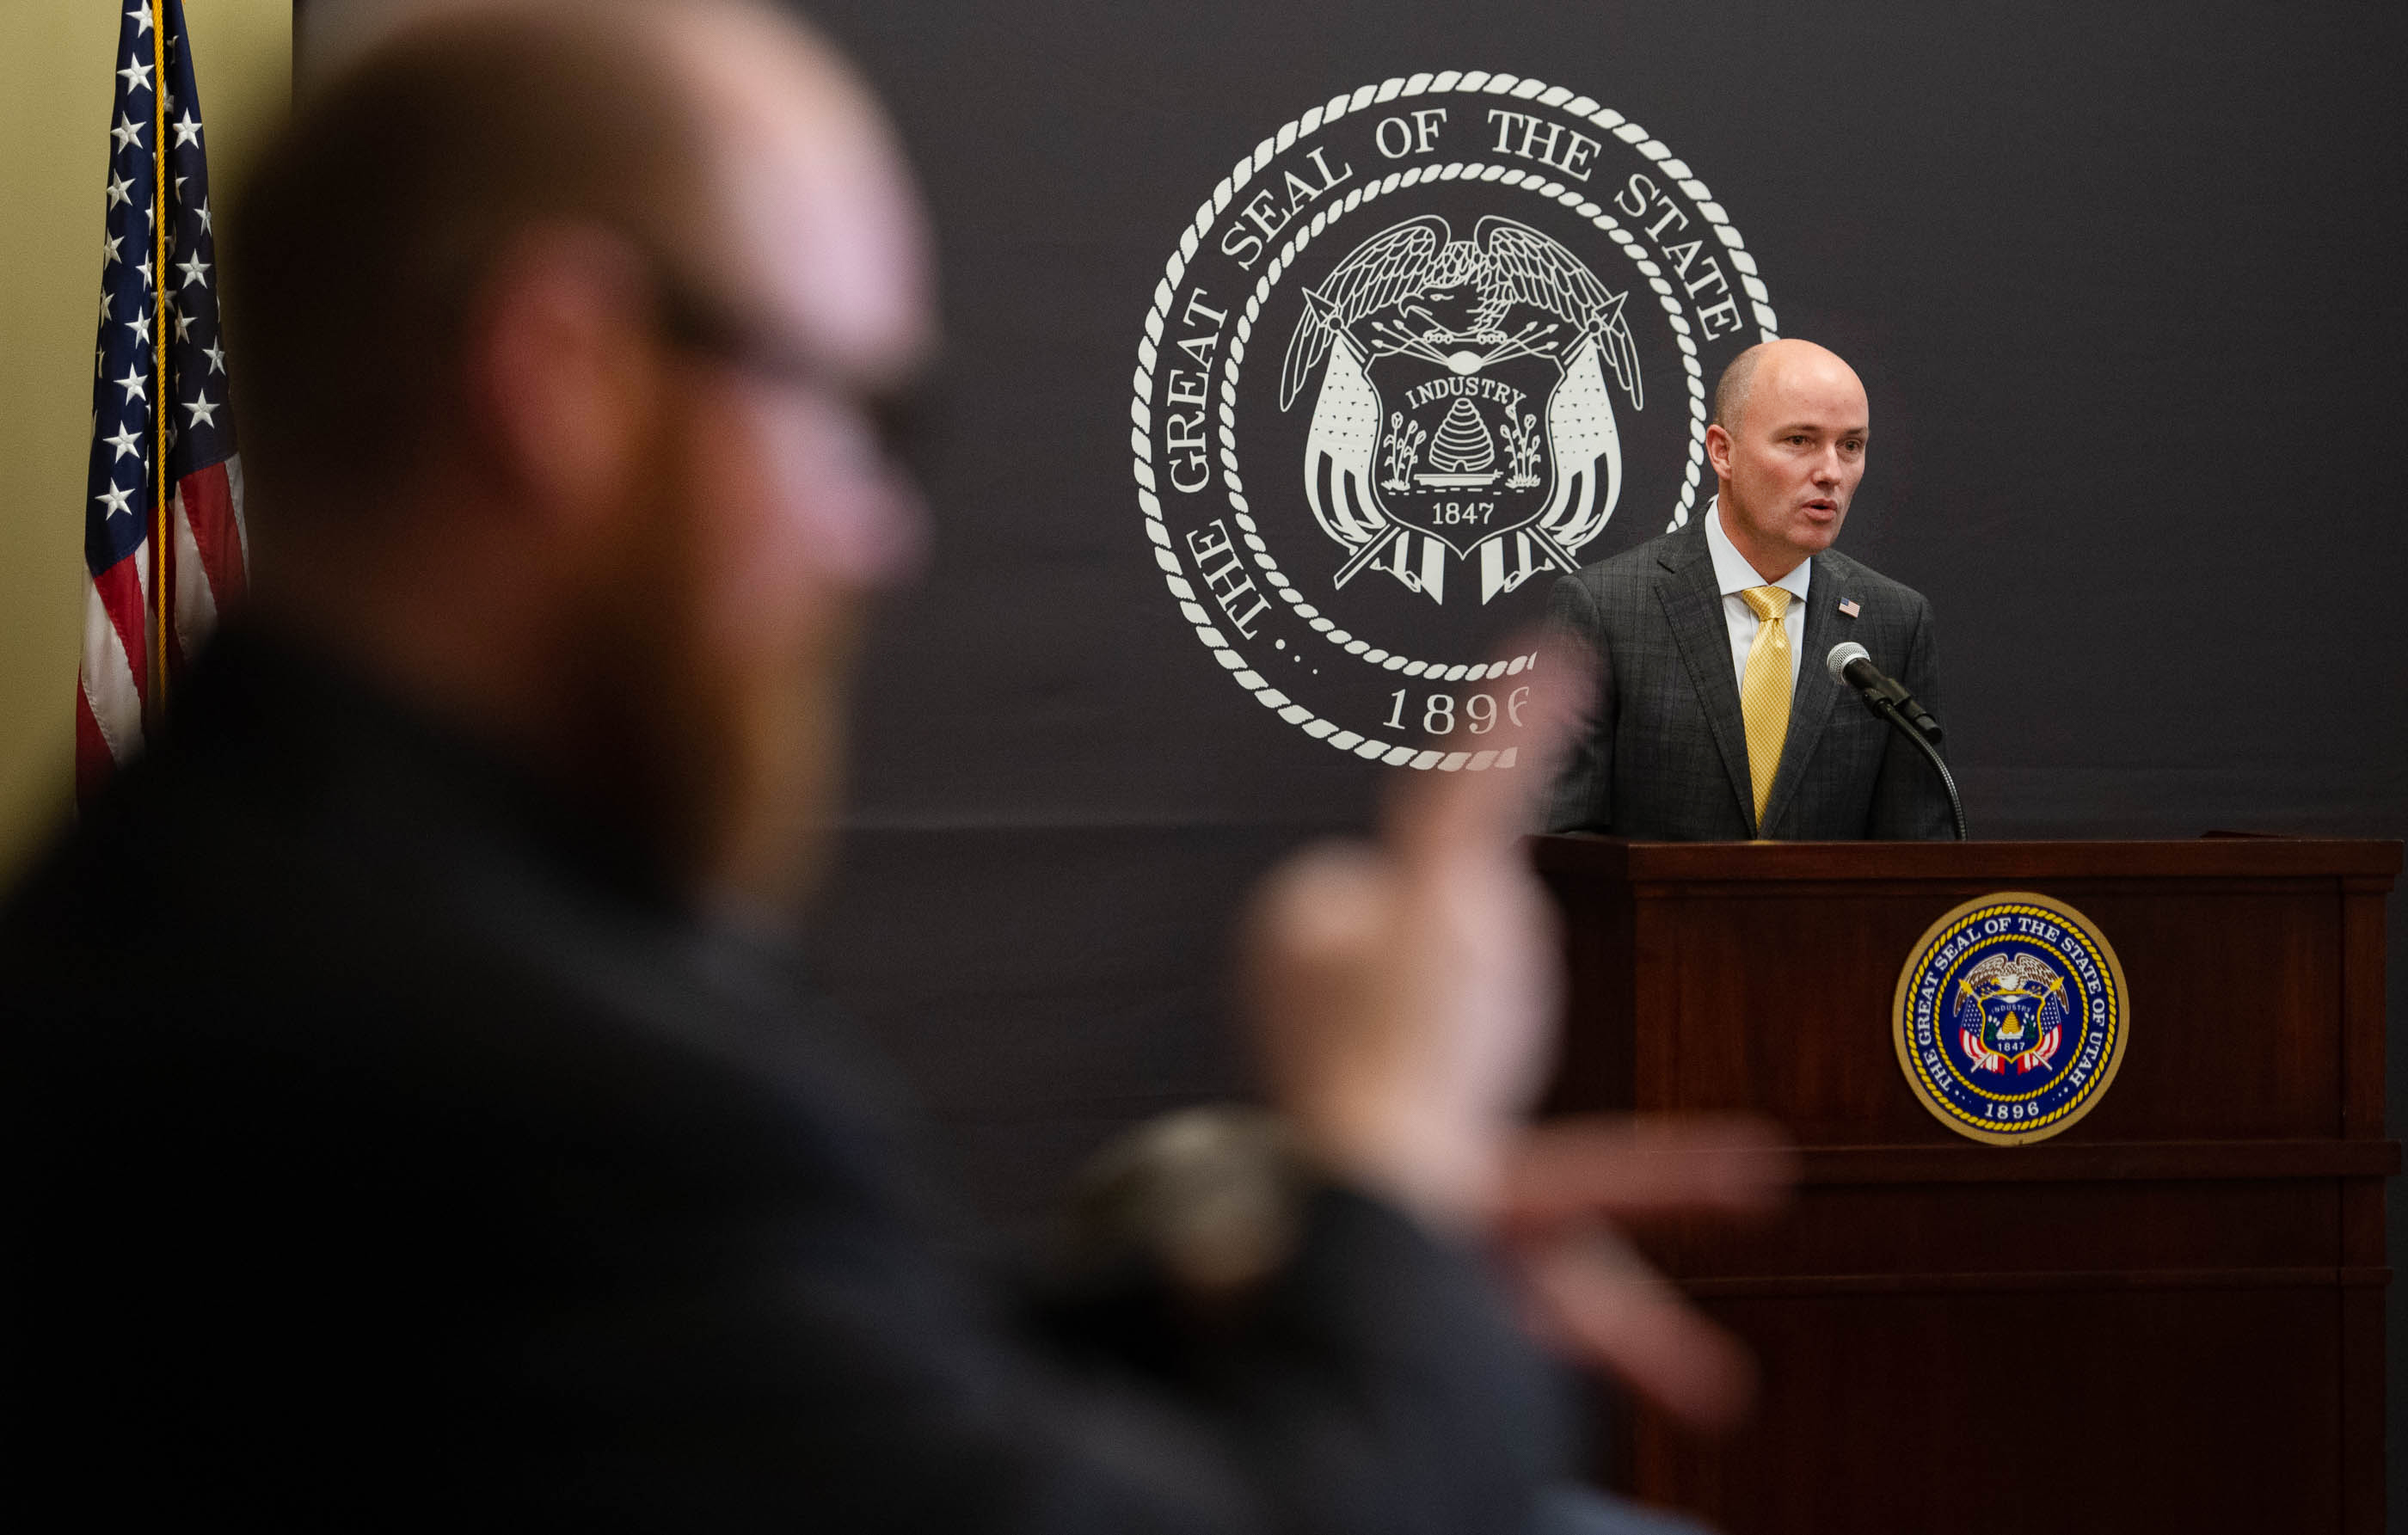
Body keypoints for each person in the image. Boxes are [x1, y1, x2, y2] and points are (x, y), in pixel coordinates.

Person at [0, 3, 1783, 1529]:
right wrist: (1389, 1133)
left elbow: (791, 1414)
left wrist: (1306, 1286)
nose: (883, 535)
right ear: (564, 373)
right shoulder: (518, 1062)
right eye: (848, 417)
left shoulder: (252, 909)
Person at [1544, 339, 1953, 840]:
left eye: (1851, 446)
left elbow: (1916, 848)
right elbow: (1564, 845)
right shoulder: (1607, 608)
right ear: (1723, 452)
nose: (1830, 473)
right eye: (1800, 440)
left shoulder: (1893, 620)